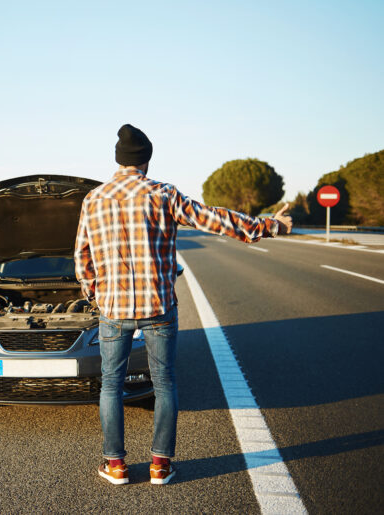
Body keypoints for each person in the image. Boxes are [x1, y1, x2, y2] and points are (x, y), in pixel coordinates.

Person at [74, 124, 292, 485]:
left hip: (113, 310)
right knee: (165, 383)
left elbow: (81, 257)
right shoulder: (163, 194)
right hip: (158, 307)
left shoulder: (93, 199)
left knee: (111, 385)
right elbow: (215, 219)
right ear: (146, 160)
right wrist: (269, 226)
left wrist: (95, 293)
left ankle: (115, 465)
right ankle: (161, 465)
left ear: (118, 160)